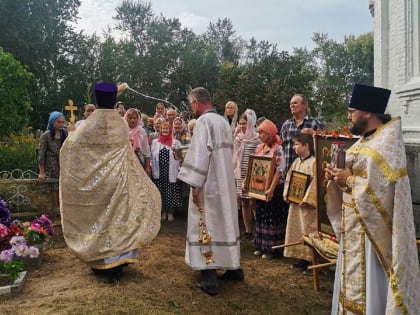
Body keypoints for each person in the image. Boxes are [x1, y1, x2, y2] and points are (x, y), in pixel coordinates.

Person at [325, 84, 420, 314]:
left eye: (352, 110)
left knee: (371, 295)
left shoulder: (385, 144)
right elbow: (354, 181)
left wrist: (348, 181)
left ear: (367, 112)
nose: (348, 116)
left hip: (374, 239)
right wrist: (335, 178)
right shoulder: (364, 141)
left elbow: (383, 191)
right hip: (354, 233)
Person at [60, 82, 161, 284]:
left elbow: (70, 149)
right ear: (114, 101)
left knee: (100, 219)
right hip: (118, 181)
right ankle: (119, 261)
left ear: (96, 101)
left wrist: (71, 134)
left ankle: (104, 261)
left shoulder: (88, 125)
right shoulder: (120, 124)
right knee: (118, 218)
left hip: (97, 184)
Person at [177, 87, 243, 296]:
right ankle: (234, 267)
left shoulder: (204, 122)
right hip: (225, 183)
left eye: (191, 105)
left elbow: (200, 155)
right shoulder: (223, 121)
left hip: (209, 184)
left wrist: (195, 185)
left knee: (206, 225)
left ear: (196, 103)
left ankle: (209, 278)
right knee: (226, 224)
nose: (192, 109)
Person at [249, 119, 289, 259]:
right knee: (261, 216)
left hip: (274, 188)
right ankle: (261, 245)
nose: (259, 135)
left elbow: (279, 170)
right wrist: (249, 185)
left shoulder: (278, 149)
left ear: (270, 134)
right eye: (258, 132)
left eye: (262, 132)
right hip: (260, 188)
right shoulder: (260, 148)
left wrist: (271, 189)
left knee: (273, 217)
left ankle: (272, 248)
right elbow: (254, 168)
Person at [283, 133, 317, 275]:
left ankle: (312, 260)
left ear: (306, 145)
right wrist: (287, 193)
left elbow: (316, 183)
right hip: (295, 204)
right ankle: (302, 258)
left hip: (307, 206)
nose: (294, 147)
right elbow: (289, 178)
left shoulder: (314, 162)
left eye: (297, 144)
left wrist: (307, 199)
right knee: (297, 229)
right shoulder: (297, 162)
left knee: (308, 230)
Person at [232, 113, 260, 240]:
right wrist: (234, 135)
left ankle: (259, 230)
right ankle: (248, 231)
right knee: (244, 202)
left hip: (251, 173)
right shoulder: (238, 138)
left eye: (245, 123)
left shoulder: (257, 138)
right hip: (240, 172)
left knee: (253, 202)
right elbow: (232, 153)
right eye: (241, 123)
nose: (243, 126)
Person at [280, 94, 323, 173]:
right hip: (287, 174)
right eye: (291, 104)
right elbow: (281, 149)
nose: (292, 105)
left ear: (304, 105)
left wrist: (314, 134)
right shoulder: (286, 125)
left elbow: (323, 146)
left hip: (308, 173)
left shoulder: (314, 123)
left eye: (295, 103)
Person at [151, 121, 182, 222]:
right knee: (161, 192)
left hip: (171, 172)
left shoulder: (176, 142)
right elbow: (152, 157)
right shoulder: (155, 142)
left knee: (171, 192)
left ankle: (170, 212)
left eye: (167, 128)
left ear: (170, 130)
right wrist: (151, 168)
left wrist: (178, 171)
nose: (165, 130)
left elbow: (179, 159)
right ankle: (163, 211)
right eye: (163, 128)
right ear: (160, 130)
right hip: (159, 172)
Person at [37, 111, 67, 212]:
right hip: (51, 165)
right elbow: (41, 154)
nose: (61, 124)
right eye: (58, 122)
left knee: (61, 188)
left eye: (63, 122)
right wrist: (41, 172)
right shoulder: (46, 135)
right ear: (52, 122)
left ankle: (62, 211)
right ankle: (55, 211)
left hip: (62, 164)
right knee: (54, 188)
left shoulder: (64, 133)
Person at [124, 108, 151, 176]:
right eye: (130, 118)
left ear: (138, 119)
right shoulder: (123, 131)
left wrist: (148, 166)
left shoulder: (141, 131)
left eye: (135, 118)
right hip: (125, 162)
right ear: (126, 118)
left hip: (139, 161)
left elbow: (146, 150)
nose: (132, 120)